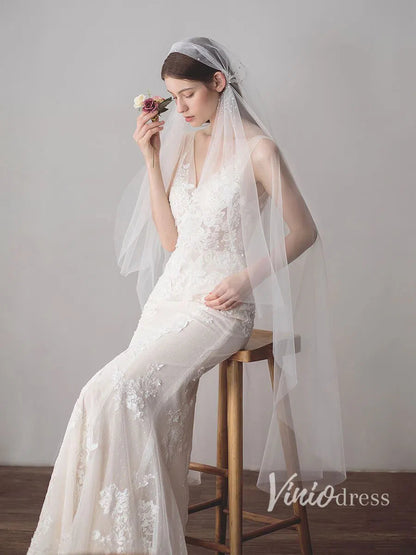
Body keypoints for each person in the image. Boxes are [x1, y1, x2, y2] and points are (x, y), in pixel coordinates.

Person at [27, 37, 346, 554]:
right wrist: (151, 161)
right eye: (173, 98)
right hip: (169, 300)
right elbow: (172, 241)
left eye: (188, 95)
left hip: (221, 308)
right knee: (104, 395)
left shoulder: (259, 150)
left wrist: (244, 280)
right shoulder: (187, 144)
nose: (180, 108)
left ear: (218, 83)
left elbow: (304, 231)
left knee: (121, 391)